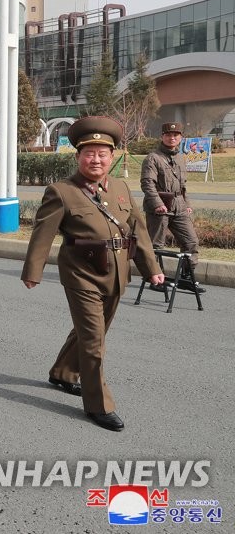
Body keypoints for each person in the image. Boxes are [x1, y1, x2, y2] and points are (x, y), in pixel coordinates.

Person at [22, 116, 164, 432]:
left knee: (92, 332)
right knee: (94, 340)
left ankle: (62, 372)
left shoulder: (121, 188)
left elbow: (138, 231)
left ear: (112, 157)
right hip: (80, 274)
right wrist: (34, 271)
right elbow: (42, 234)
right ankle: (98, 404)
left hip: (116, 273)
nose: (96, 159)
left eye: (103, 153)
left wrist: (152, 269)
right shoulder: (61, 191)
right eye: (89, 153)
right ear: (78, 157)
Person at [140, 121, 203, 293]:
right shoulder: (153, 158)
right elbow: (147, 184)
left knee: (191, 241)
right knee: (156, 244)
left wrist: (187, 204)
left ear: (181, 138)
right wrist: (158, 204)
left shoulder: (181, 158)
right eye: (168, 135)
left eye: (176, 135)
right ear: (162, 137)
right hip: (159, 207)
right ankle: (154, 278)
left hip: (179, 207)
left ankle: (185, 276)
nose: (172, 137)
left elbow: (183, 186)